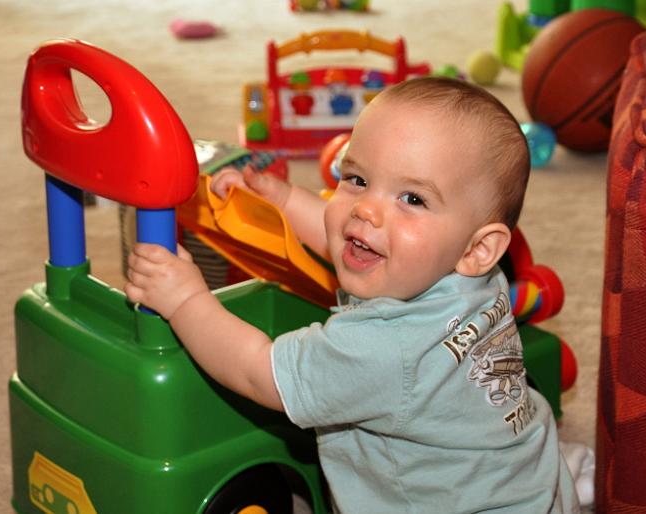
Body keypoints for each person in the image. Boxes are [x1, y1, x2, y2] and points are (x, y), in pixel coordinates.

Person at [124, 76, 580, 513]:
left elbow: (259, 374)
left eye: (413, 199)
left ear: (480, 248)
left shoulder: (385, 348)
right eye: (357, 179)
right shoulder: (464, 269)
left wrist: (185, 300)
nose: (365, 209)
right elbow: (344, 237)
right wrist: (282, 202)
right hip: (530, 482)